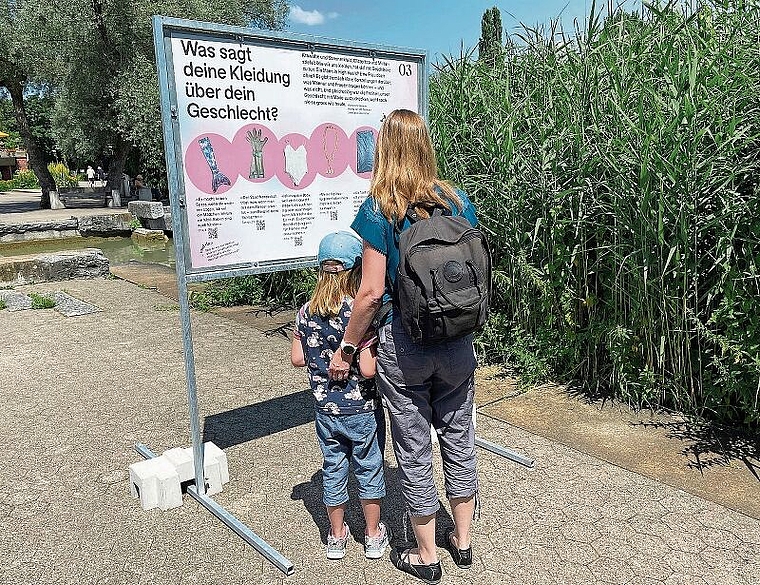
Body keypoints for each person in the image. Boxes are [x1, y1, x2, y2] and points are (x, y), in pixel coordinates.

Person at [328, 109, 479, 584]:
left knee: (413, 449)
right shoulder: (457, 201)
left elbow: (371, 292)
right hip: (457, 341)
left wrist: (347, 349)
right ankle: (464, 542)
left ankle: (427, 555)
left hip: (406, 345)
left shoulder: (380, 209)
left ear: (386, 149)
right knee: (459, 437)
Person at [291, 230, 390, 561]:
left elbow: (298, 358)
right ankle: (373, 535)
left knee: (333, 468)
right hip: (361, 408)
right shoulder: (359, 316)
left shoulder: (305, 312)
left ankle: (336, 536)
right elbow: (368, 370)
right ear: (358, 269)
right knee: (369, 467)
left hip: (324, 410)